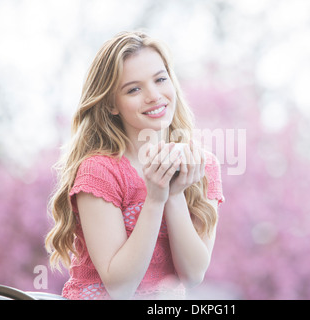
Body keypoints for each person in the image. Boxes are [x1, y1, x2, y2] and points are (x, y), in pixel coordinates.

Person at [45, 31, 224, 299]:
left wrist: (174, 194)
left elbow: (193, 275)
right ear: (111, 105)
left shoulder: (202, 166)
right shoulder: (100, 171)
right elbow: (119, 286)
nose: (154, 95)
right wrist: (155, 199)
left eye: (160, 79)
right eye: (134, 89)